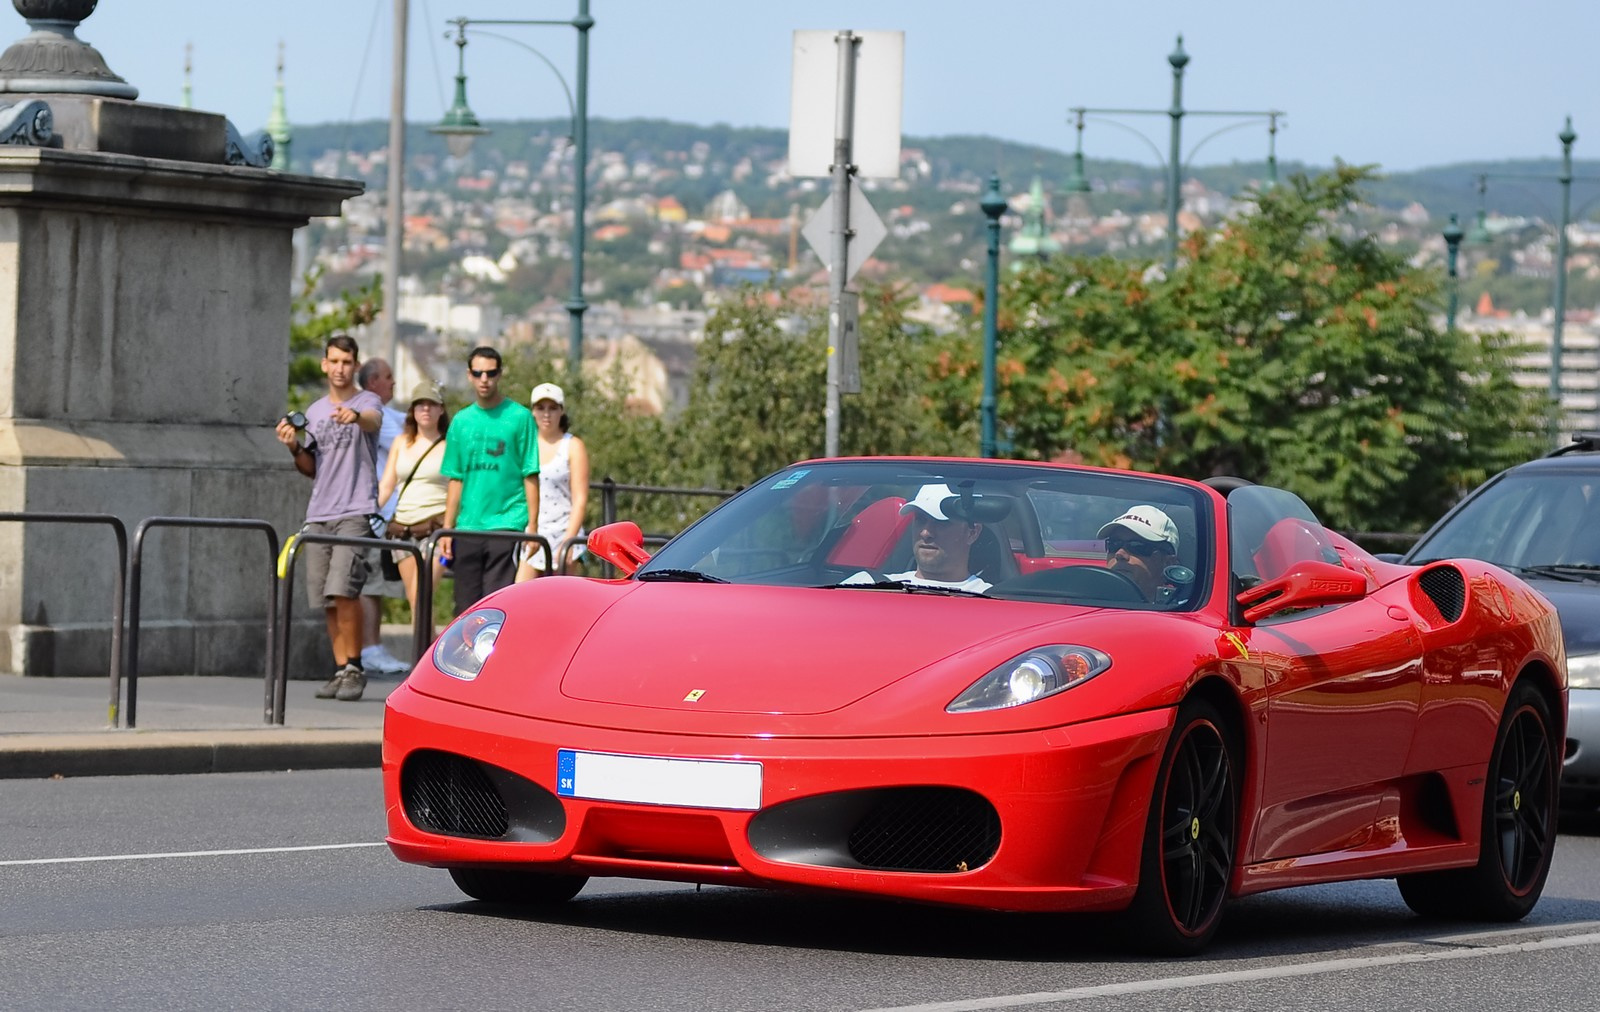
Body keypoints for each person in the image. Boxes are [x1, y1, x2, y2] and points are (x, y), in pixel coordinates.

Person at [274, 334, 383, 702]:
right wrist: (293, 445)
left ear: (355, 365)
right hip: (320, 511)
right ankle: (340, 669)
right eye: (333, 361)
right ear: (324, 364)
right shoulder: (317, 411)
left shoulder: (366, 400)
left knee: (344, 588)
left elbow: (371, 420)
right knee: (326, 597)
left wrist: (355, 416)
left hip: (355, 508)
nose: (339, 368)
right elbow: (310, 467)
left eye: (346, 362)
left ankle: (355, 666)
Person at [437, 346, 540, 615]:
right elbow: (455, 479)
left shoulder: (520, 417)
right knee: (465, 609)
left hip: (507, 523)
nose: (485, 379)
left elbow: (530, 473)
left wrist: (533, 524)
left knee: (497, 606)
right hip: (468, 526)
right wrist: (447, 528)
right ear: (469, 376)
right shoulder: (461, 421)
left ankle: (497, 659)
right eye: (478, 373)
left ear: (500, 374)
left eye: (491, 373)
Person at [355, 357, 410, 676]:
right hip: (377, 511)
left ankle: (371, 646)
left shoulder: (386, 414)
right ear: (373, 381)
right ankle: (369, 647)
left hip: (386, 512)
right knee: (371, 583)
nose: (393, 382)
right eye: (388, 377)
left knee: (378, 584)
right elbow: (405, 437)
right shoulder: (377, 414)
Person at [377, 380, 450, 616]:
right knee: (415, 601)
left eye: (431, 404)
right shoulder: (401, 442)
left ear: (441, 409)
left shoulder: (451, 445)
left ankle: (431, 651)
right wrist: (367, 512)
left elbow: (459, 489)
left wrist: (451, 525)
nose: (426, 410)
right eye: (420, 405)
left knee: (422, 595)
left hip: (436, 529)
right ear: (413, 411)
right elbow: (387, 485)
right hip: (403, 529)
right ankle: (424, 651)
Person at [844, 483, 992, 593]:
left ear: (972, 532)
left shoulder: (995, 600)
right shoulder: (865, 585)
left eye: (941, 522)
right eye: (920, 520)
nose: (925, 533)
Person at [515, 382, 589, 581]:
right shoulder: (526, 446)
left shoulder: (572, 446)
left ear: (561, 411)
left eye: (552, 408)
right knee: (521, 594)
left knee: (562, 600)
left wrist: (569, 540)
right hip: (534, 531)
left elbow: (580, 499)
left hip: (564, 530)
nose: (546, 414)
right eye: (541, 408)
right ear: (532, 412)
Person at [1097, 505, 1181, 603]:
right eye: (1114, 544)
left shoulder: (1184, 612)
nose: (1119, 554)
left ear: (1168, 563)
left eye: (1137, 546)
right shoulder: (1084, 601)